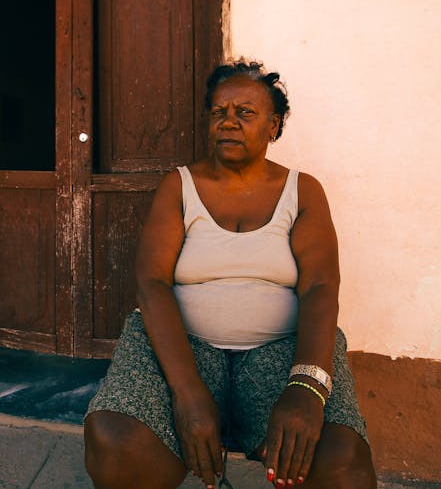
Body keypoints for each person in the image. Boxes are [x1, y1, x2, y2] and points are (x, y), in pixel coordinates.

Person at [84, 60, 376, 488]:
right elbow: (152, 284)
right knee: (115, 442)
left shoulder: (303, 190)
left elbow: (319, 286)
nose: (229, 122)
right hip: (184, 347)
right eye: (219, 112)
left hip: (280, 350)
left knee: (340, 463)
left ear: (274, 126)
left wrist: (307, 388)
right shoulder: (178, 186)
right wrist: (187, 393)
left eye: (245, 113)